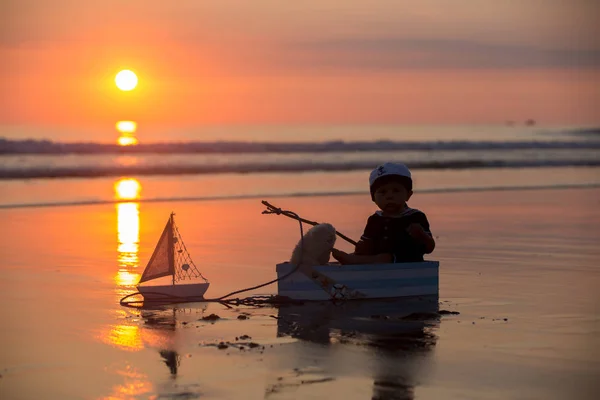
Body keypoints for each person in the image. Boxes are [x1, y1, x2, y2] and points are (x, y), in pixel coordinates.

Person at [332, 162, 435, 264]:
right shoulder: (375, 219)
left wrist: (422, 235)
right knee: (365, 256)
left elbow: (429, 248)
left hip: (406, 260)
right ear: (374, 198)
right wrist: (362, 247)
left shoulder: (415, 216)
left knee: (385, 258)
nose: (389, 196)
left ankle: (353, 261)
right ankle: (351, 260)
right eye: (382, 192)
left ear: (408, 195)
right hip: (376, 259)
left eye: (396, 191)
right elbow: (367, 243)